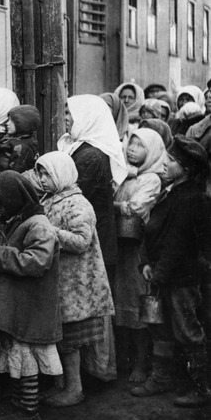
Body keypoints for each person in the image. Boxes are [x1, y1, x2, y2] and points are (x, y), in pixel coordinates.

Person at [0, 170, 63, 420]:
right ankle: (20, 406)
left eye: (0, 203)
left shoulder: (39, 226)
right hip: (16, 304)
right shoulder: (14, 220)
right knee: (16, 356)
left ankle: (29, 412)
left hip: (30, 306)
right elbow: (1, 246)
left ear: (14, 200)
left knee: (25, 358)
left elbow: (37, 261)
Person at [131, 135, 211, 408]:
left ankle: (201, 388)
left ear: (187, 169)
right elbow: (154, 232)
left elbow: (178, 244)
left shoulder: (191, 199)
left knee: (188, 331)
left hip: (181, 280)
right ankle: (161, 378)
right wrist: (146, 264)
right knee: (161, 329)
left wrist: (158, 274)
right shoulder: (172, 191)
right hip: (163, 275)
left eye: (173, 161)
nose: (165, 163)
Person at [33, 151, 115, 408]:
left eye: (46, 173)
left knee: (70, 340)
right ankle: (62, 385)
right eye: (40, 173)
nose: (42, 178)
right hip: (62, 282)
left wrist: (50, 232)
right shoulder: (52, 198)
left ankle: (74, 388)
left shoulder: (77, 203)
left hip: (76, 284)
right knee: (61, 336)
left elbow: (81, 241)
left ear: (61, 173)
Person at [111, 129, 166, 383]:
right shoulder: (126, 176)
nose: (132, 148)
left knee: (138, 303)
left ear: (152, 151)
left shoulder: (151, 179)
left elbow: (137, 207)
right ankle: (125, 358)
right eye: (130, 143)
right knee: (121, 302)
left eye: (139, 145)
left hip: (138, 248)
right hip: (120, 246)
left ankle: (142, 363)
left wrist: (111, 207)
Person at [59, 94, 127, 278]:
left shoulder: (90, 156)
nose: (65, 118)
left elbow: (75, 194)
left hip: (93, 239)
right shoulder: (81, 149)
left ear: (86, 118)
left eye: (70, 113)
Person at [0, 105, 40, 177]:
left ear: (23, 123)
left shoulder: (22, 147)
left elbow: (14, 176)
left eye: (11, 121)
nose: (7, 123)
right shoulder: (13, 138)